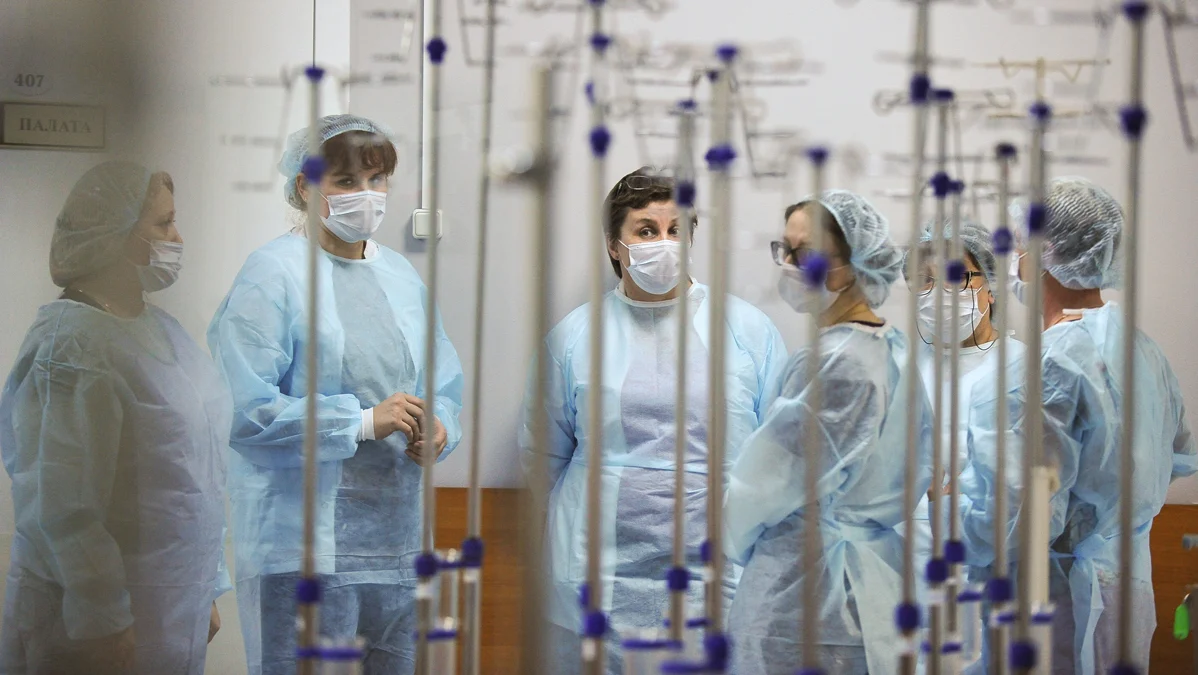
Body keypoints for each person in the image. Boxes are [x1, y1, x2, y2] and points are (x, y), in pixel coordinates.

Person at [207, 114, 464, 675]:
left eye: (377, 180)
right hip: (302, 547)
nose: (365, 195)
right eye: (346, 181)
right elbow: (242, 410)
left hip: (398, 543)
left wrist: (439, 428)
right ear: (305, 185)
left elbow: (440, 382)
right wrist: (362, 422)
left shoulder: (401, 278)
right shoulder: (273, 274)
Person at [519, 167, 788, 673]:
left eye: (676, 230)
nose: (664, 243)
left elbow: (778, 453)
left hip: (718, 570)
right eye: (646, 230)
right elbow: (543, 456)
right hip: (597, 570)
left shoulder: (746, 330)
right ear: (614, 245)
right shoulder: (576, 338)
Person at [0, 161, 229, 675]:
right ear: (116, 234)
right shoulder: (71, 347)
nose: (178, 238)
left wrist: (205, 587)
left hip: (169, 609)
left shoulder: (162, 332)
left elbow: (195, 478)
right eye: (163, 224)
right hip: (88, 628)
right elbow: (61, 504)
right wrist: (101, 617)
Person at [962, 176, 1196, 674]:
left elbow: (1018, 518)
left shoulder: (1048, 367)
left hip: (1054, 604)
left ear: (1043, 254)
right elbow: (1178, 455)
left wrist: (958, 518)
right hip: (1125, 588)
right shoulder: (1143, 351)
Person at [725, 190, 932, 675]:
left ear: (855, 262)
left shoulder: (837, 362)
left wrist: (732, 533)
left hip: (803, 590)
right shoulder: (890, 348)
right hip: (871, 581)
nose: (791, 266)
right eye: (786, 250)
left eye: (806, 254)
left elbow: (764, 486)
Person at [900, 220, 1028, 592]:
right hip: (906, 564)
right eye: (924, 280)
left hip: (991, 565)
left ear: (993, 288)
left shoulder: (1025, 367)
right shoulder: (900, 366)